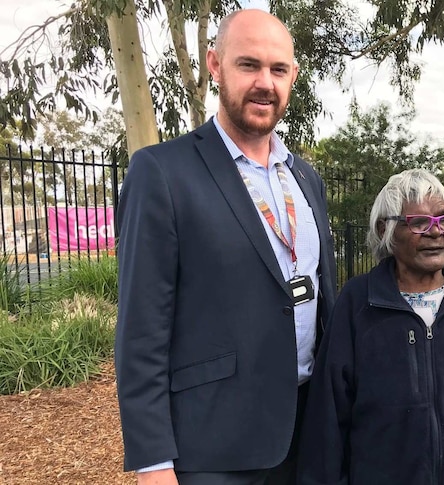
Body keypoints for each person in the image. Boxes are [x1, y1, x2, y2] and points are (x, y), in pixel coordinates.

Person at [114, 9, 337, 485]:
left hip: (308, 435)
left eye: (278, 70)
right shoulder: (162, 174)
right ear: (215, 65)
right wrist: (153, 464)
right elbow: (141, 333)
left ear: (293, 76)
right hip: (212, 448)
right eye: (248, 65)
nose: (265, 83)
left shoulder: (306, 179)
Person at [298, 169, 444, 485]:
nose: (436, 233)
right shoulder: (358, 303)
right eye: (419, 223)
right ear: (385, 231)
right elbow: (327, 419)